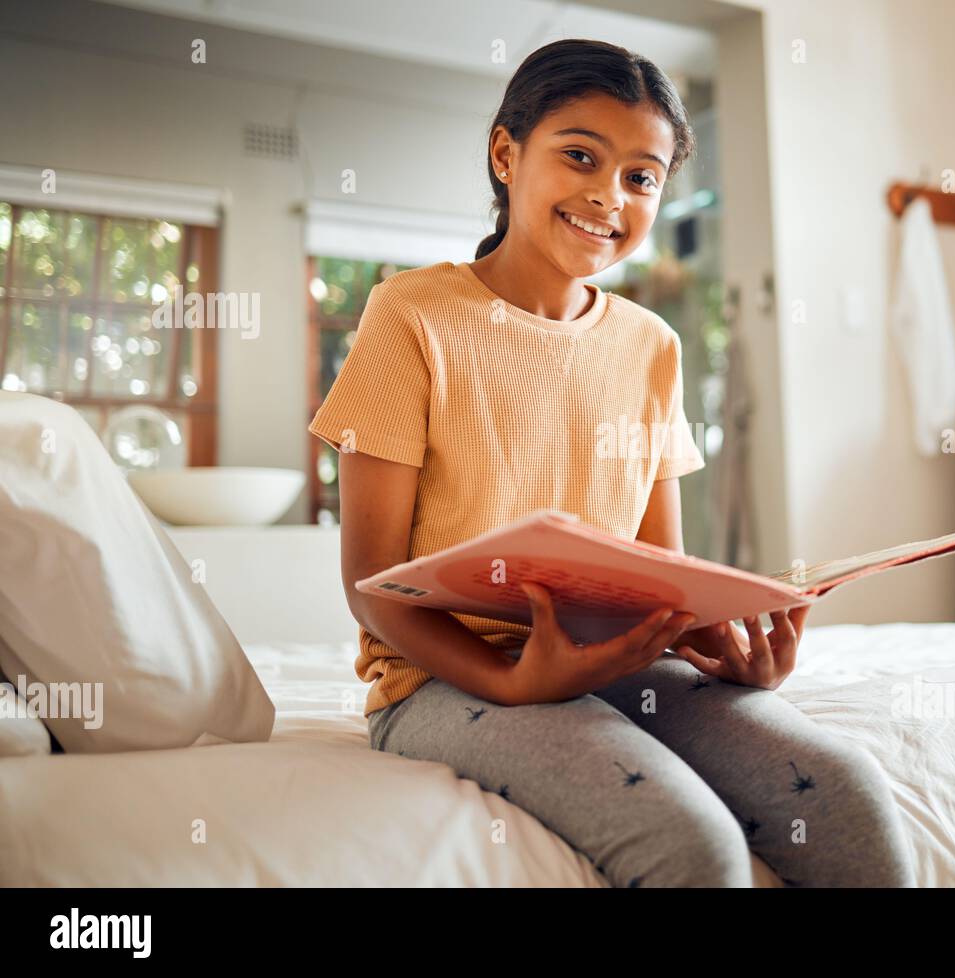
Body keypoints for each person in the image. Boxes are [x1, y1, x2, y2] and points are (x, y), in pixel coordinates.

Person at [308, 37, 914, 888]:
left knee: (848, 793)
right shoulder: (409, 318)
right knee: (690, 841)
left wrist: (726, 649)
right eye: (581, 156)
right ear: (505, 153)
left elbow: (655, 577)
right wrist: (516, 681)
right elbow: (374, 586)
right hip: (445, 678)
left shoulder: (651, 346)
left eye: (641, 176)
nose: (608, 195)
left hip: (623, 664)